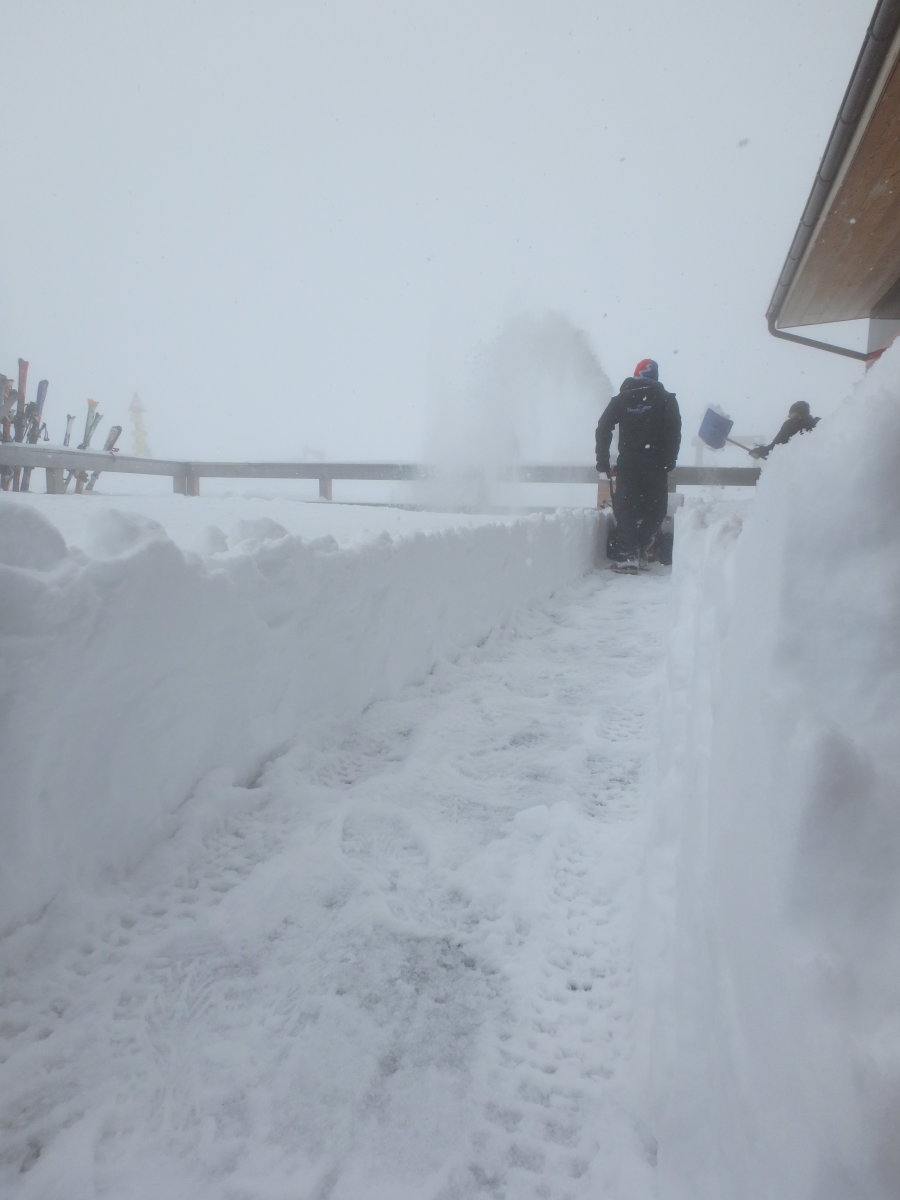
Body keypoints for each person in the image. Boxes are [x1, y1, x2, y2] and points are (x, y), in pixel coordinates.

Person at [596, 358, 682, 572]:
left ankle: (628, 555)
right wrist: (669, 461)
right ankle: (642, 548)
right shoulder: (665, 399)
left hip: (629, 465)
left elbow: (603, 427)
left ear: (636, 374)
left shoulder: (622, 399)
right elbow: (674, 433)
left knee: (626, 509)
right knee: (655, 509)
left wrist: (603, 461)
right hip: (656, 465)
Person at [749, 400, 819, 459]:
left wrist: (758, 452)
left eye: (790, 413)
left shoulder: (790, 425)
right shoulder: (818, 424)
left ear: (797, 413)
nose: (788, 416)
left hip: (793, 466)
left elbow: (775, 447)